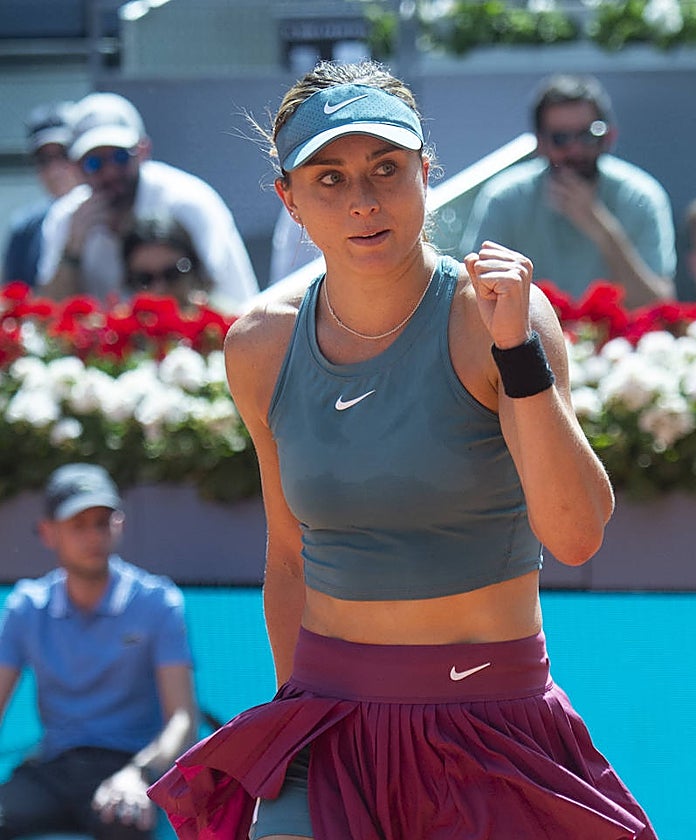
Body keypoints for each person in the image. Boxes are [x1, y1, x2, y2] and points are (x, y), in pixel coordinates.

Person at [147, 60, 657, 839]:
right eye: (330, 178)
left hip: (495, 726)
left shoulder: (499, 317)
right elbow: (289, 559)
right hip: (328, 727)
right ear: (289, 201)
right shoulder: (258, 345)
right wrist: (298, 733)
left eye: (387, 169)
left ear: (425, 174)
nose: (364, 201)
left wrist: (516, 349)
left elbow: (576, 533)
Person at [0, 463, 198, 839]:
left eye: (103, 522)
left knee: (127, 822)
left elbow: (182, 719)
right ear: (47, 532)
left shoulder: (158, 602)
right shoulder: (25, 607)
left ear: (119, 524)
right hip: (51, 770)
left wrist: (139, 774)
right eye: (78, 524)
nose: (93, 535)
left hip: (127, 769)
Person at [458, 73, 676, 308]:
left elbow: (658, 304)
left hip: (617, 342)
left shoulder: (640, 195)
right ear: (540, 144)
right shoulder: (505, 199)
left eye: (587, 135)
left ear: (608, 137)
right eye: (560, 138)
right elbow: (472, 295)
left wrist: (602, 230)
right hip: (529, 339)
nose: (575, 149)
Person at [36, 91, 259, 311]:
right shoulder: (65, 218)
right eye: (94, 163)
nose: (110, 172)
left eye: (120, 156)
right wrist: (72, 253)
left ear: (143, 151)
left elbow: (222, 300)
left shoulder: (187, 202)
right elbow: (51, 316)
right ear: (75, 167)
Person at [2, 101, 83, 287]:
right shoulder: (25, 228)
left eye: (64, 154)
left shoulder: (113, 213)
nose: (54, 170)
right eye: (43, 160)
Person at [122, 213, 216, 311]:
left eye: (172, 274)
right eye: (145, 279)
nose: (160, 289)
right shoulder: (112, 324)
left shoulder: (224, 322)